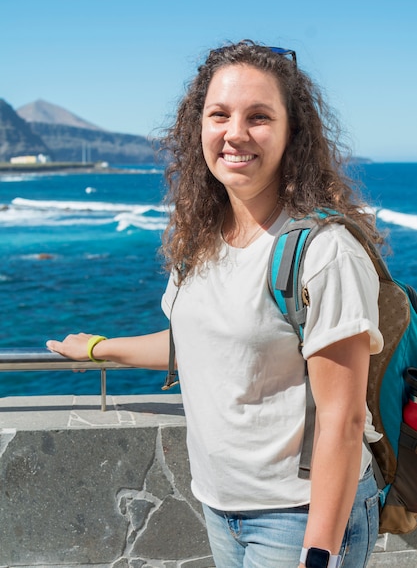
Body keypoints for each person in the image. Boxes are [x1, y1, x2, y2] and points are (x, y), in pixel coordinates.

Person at [47, 40, 384, 568]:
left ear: (292, 132)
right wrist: (97, 349)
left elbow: (343, 418)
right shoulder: (198, 241)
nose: (235, 134)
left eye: (259, 117)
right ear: (197, 127)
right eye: (219, 114)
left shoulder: (323, 253)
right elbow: (201, 344)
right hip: (219, 507)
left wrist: (317, 553)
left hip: (298, 516)